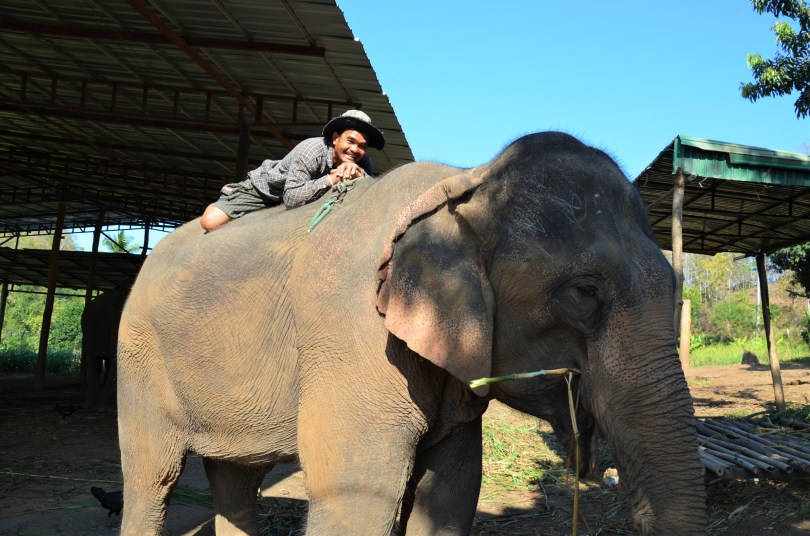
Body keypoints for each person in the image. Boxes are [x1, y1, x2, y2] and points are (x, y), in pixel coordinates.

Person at [200, 109, 385, 231]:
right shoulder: (311, 150)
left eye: (362, 146)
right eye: (350, 141)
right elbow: (291, 197)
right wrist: (332, 179)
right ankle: (228, 198)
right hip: (268, 191)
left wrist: (361, 176)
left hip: (307, 205)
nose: (355, 150)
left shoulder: (362, 162)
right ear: (336, 138)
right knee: (210, 221)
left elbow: (372, 193)